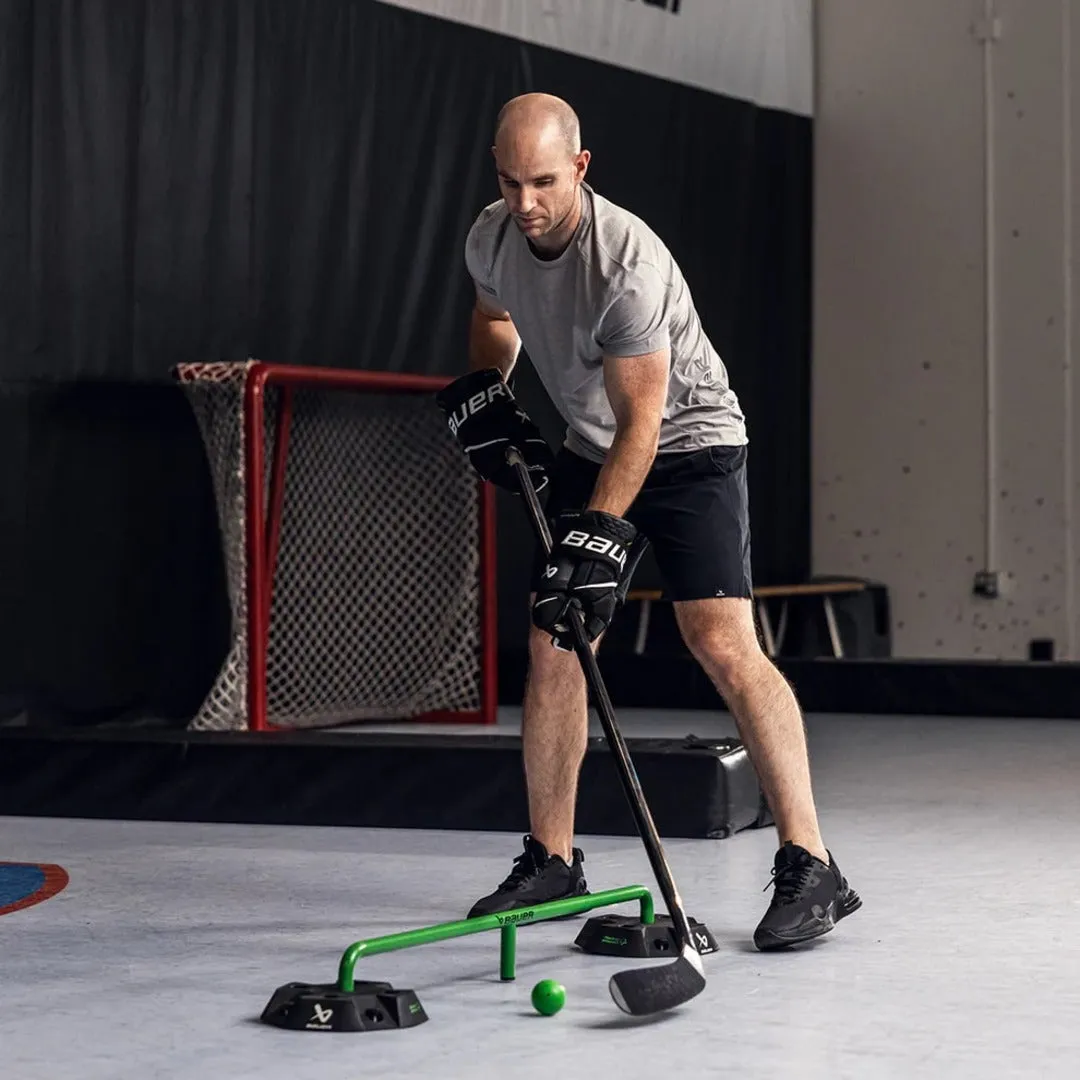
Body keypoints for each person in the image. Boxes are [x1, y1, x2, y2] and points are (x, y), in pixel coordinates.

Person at [435, 93, 860, 950]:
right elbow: (493, 321)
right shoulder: (490, 237)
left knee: (719, 641)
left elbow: (646, 424)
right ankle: (552, 860)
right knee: (557, 638)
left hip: (691, 442)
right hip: (596, 442)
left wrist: (592, 538)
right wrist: (494, 390)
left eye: (545, 182)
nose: (527, 203)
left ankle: (813, 864)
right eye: (512, 181)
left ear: (581, 169)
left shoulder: (626, 262)